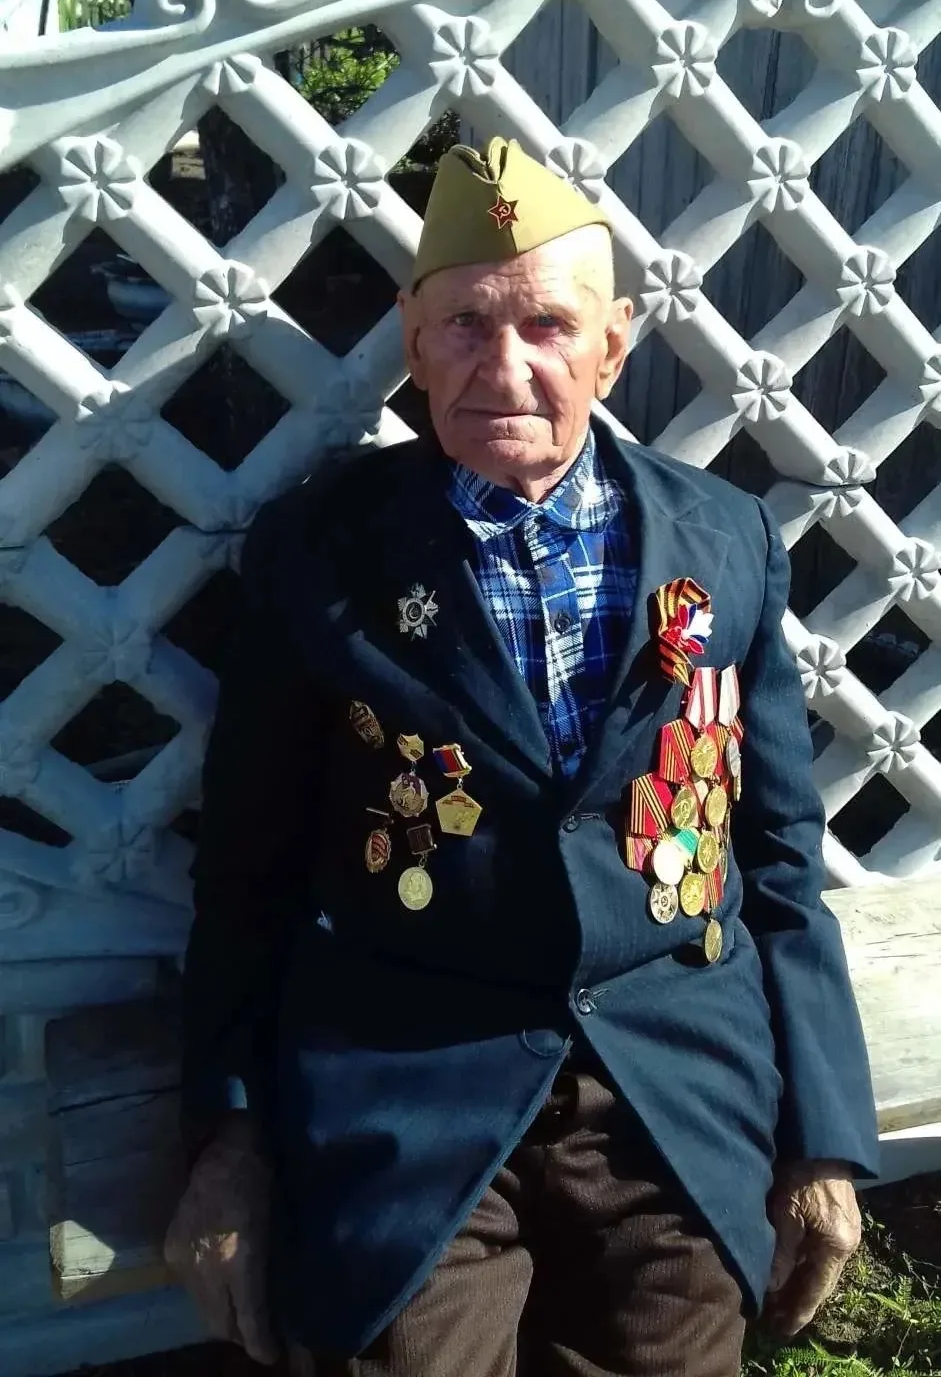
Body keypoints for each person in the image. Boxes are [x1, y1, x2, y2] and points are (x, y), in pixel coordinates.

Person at [165, 137, 879, 1377]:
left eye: (547, 325)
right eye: (464, 324)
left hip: (671, 1082)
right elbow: (245, 872)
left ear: (613, 345)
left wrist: (821, 1136)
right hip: (410, 1088)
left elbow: (775, 854)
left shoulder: (725, 539)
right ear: (411, 338)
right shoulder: (319, 552)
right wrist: (225, 1139)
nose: (503, 370)